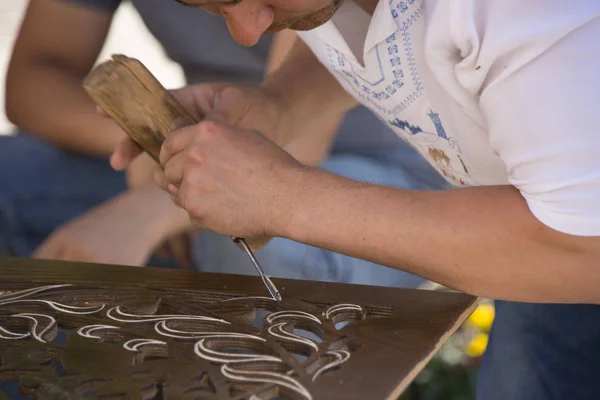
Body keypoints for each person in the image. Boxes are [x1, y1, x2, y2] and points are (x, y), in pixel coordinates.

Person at [107, 1, 600, 399]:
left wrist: (285, 196)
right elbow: (370, 35)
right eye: (215, 9)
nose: (248, 31)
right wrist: (279, 107)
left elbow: (583, 247)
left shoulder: (523, 11)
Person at [2, 0, 446, 287]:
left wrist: (153, 209)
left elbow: (299, 138)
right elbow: (32, 81)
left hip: (374, 168)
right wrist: (152, 147)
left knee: (241, 243)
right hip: (214, 142)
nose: (244, 30)